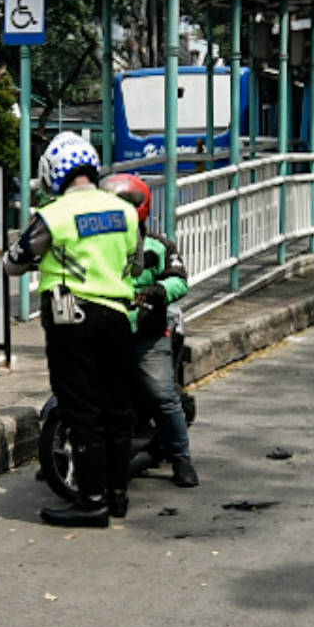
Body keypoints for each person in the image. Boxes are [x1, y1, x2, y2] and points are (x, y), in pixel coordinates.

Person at [6, 131, 141, 527]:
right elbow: (134, 265)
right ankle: (117, 495)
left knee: (81, 407)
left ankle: (91, 500)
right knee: (117, 405)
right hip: (117, 315)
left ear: (54, 172)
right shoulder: (125, 212)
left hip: (72, 317)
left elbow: (14, 261)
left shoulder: (55, 214)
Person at [107, 172, 196, 488]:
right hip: (107, 330)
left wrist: (158, 290)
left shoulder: (158, 246)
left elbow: (180, 279)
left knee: (162, 395)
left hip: (148, 333)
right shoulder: (98, 247)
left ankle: (182, 459)